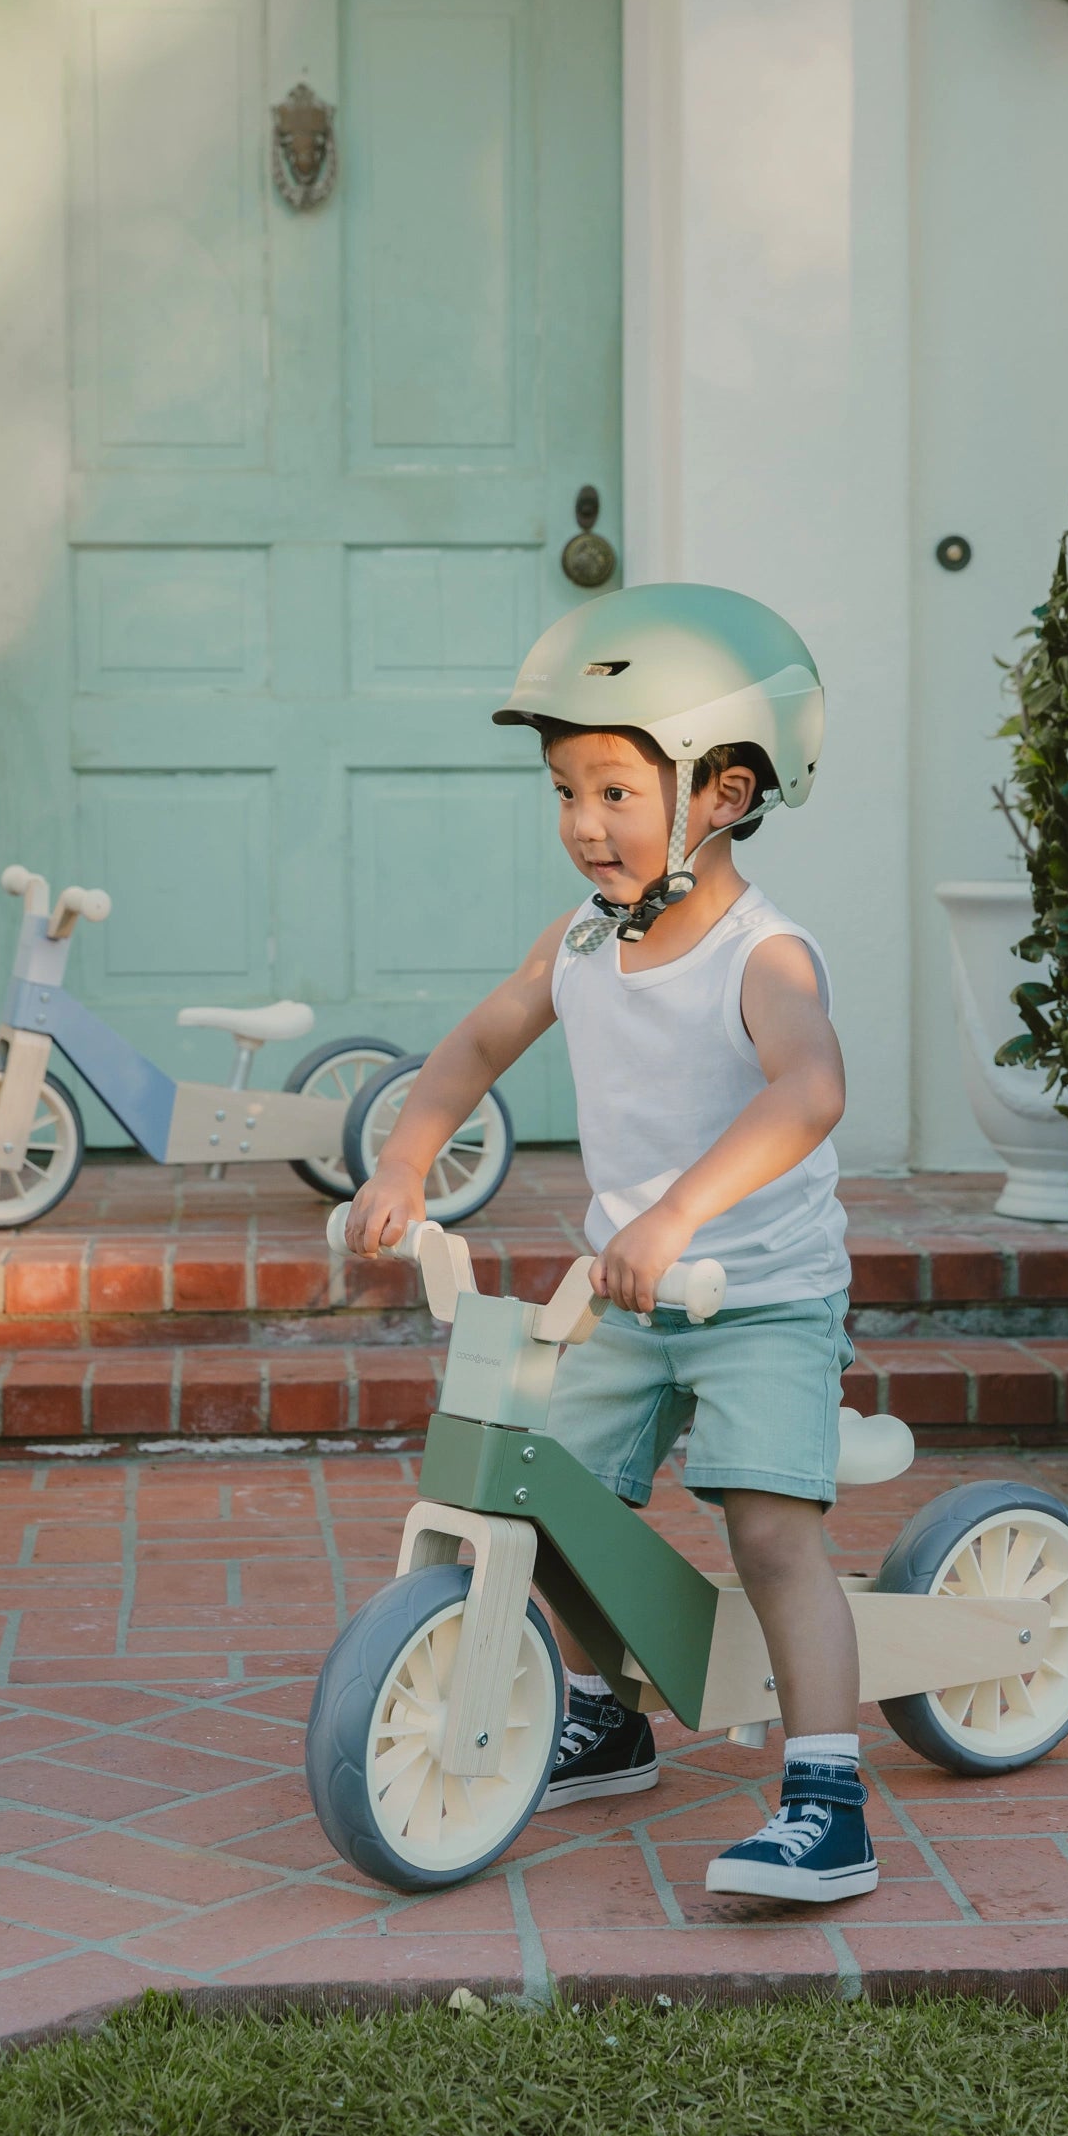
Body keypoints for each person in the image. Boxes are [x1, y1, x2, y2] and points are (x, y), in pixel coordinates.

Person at [341, 582, 875, 1904]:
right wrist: (407, 1160)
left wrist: (677, 1212)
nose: (583, 825)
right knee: (547, 1499)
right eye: (565, 793)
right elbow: (474, 1043)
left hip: (754, 1295)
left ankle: (824, 1792)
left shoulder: (765, 954)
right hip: (627, 1299)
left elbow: (807, 1090)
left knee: (767, 1533)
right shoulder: (582, 940)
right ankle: (606, 1709)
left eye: (615, 792)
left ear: (724, 795)